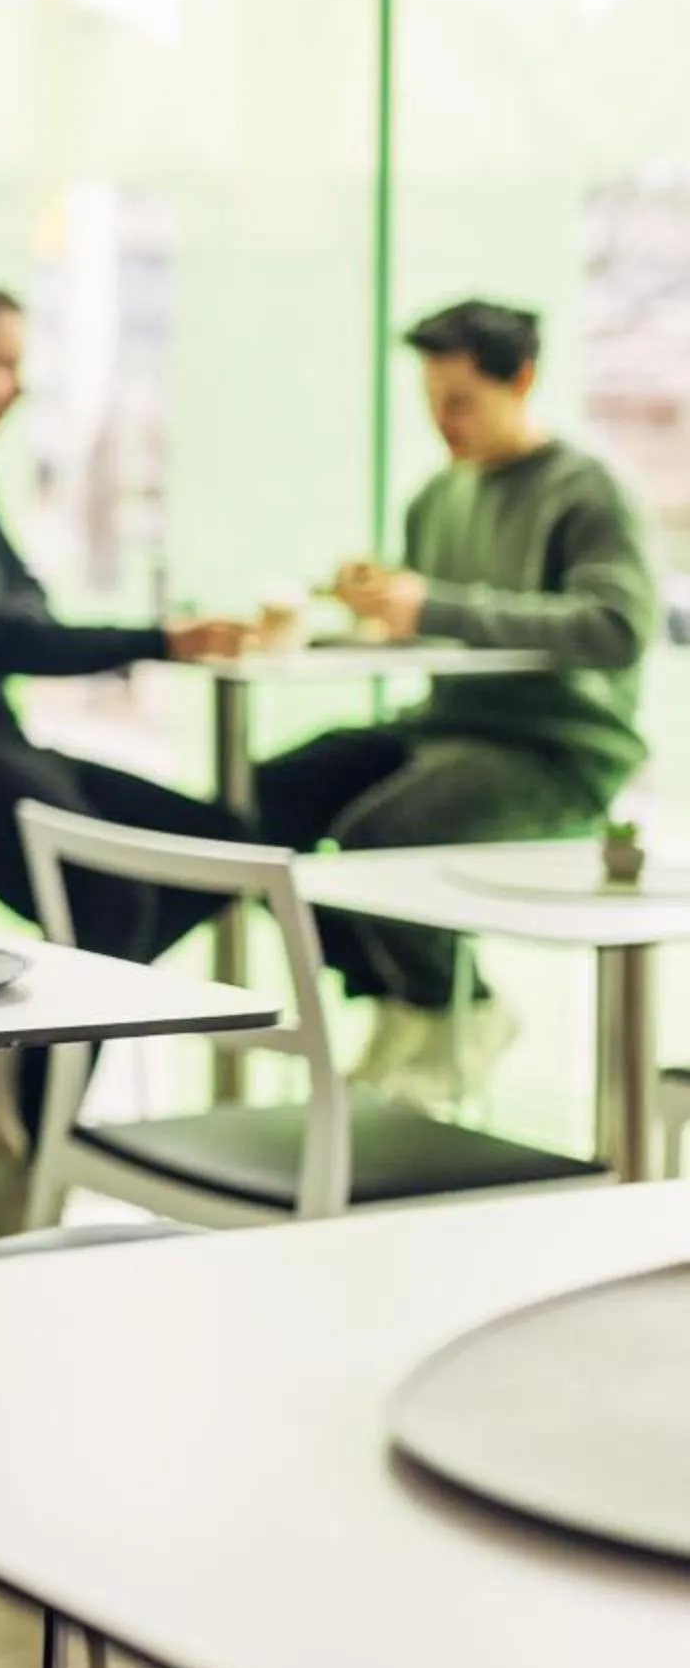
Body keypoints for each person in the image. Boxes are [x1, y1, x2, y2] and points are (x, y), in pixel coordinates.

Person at [255, 298, 659, 1105]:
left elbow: (617, 627)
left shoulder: (586, 493)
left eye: (461, 402)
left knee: (379, 838)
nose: (444, 423)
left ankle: (453, 1009)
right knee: (267, 799)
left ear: (524, 381)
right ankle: (408, 1006)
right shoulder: (437, 495)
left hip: (552, 748)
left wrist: (430, 604)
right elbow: (430, 624)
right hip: (444, 726)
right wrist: (362, 620)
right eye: (433, 404)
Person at [0, 284, 256, 1183]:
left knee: (225, 846)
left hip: (0, 732)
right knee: (112, 904)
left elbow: (25, 607)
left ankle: (30, 1051)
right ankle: (40, 1141)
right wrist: (160, 640)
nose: (15, 386)